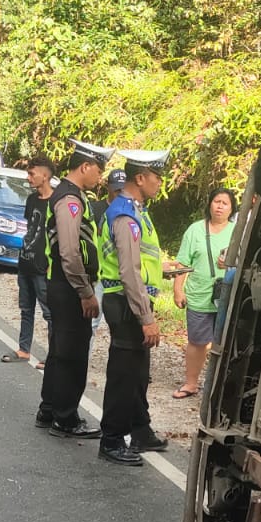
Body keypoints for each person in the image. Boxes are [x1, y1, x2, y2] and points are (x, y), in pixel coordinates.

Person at [96, 150, 171, 465]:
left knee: (139, 373)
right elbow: (128, 271)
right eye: (157, 177)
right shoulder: (125, 215)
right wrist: (146, 317)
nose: (160, 183)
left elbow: (142, 259)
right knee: (124, 375)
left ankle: (140, 430)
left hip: (133, 301)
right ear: (140, 178)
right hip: (127, 304)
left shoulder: (137, 210)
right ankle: (112, 439)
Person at [36, 139, 111, 438]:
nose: (100, 178)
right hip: (69, 288)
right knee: (73, 355)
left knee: (59, 351)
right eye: (99, 171)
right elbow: (69, 251)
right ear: (85, 166)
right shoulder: (70, 199)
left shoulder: (71, 196)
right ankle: (65, 418)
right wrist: (86, 292)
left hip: (62, 286)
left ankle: (50, 408)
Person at [171, 187, 237, 398]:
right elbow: (183, 262)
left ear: (232, 209)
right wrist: (177, 290)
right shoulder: (195, 230)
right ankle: (191, 383)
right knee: (197, 341)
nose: (219, 206)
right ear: (209, 203)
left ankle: (220, 389)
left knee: (226, 342)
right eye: (216, 201)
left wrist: (230, 262)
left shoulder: (237, 232)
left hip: (227, 295)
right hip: (199, 293)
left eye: (225, 203)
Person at [14, 155, 55, 367]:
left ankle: (53, 356)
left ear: (45, 175)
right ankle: (23, 349)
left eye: (32, 173)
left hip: (44, 267)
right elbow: (30, 228)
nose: (28, 178)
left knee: (49, 313)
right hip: (26, 262)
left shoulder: (57, 202)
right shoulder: (31, 200)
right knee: (26, 308)